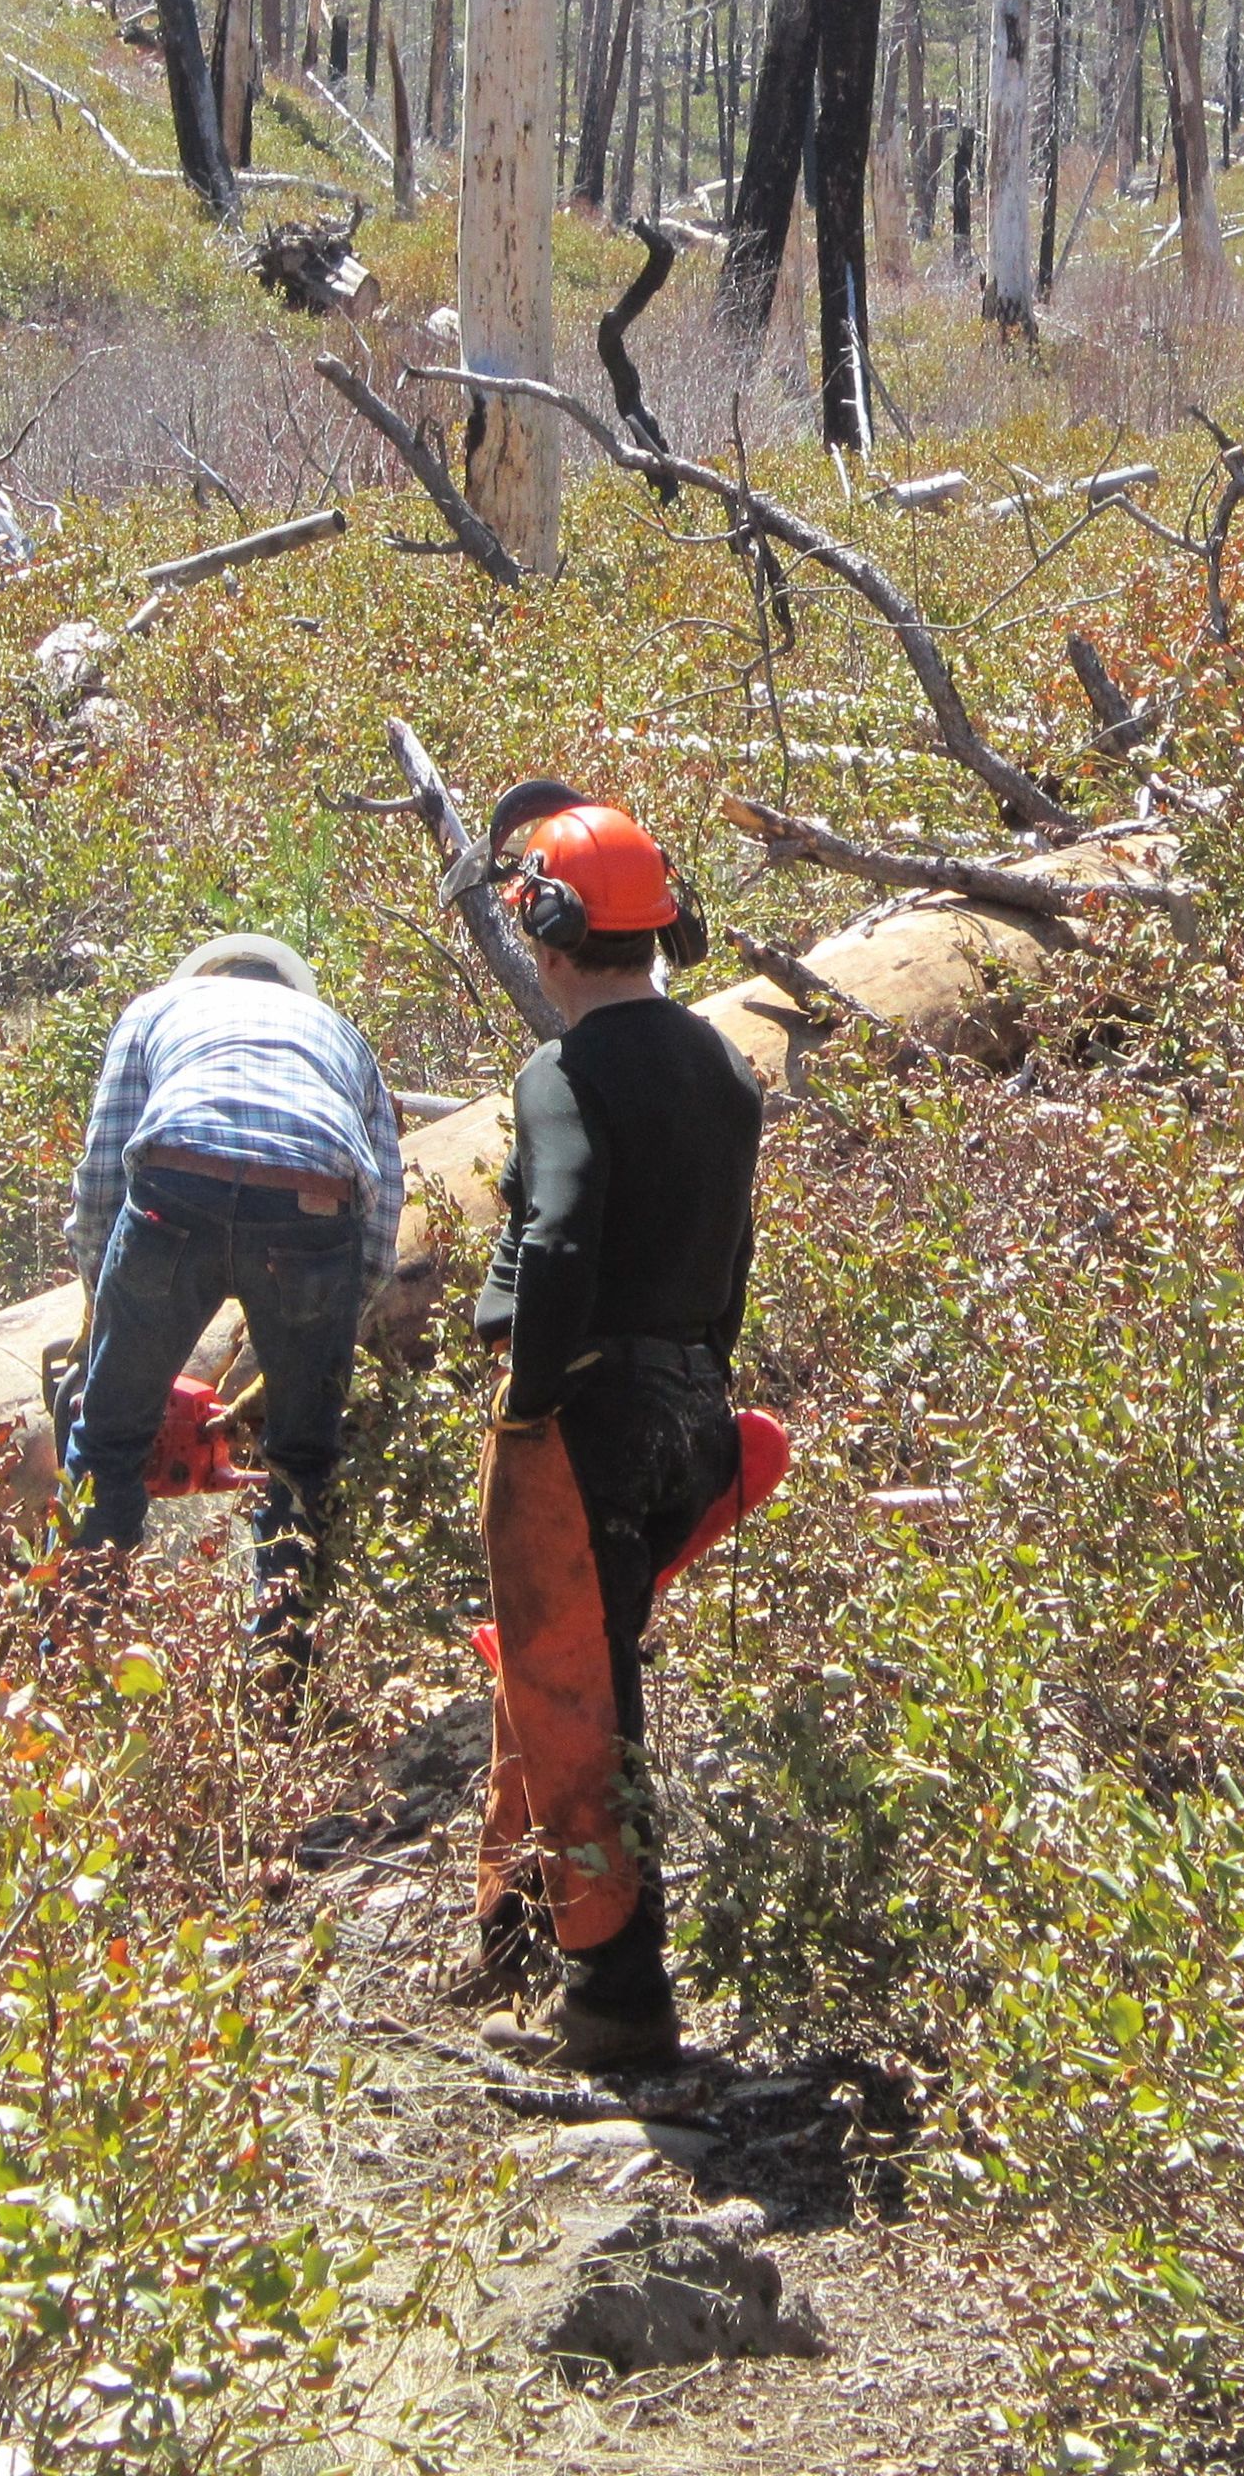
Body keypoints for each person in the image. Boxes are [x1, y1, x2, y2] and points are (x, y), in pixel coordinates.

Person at [457, 790, 762, 2070]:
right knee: (560, 1673)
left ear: (546, 926)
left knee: (580, 1702)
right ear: (660, 926)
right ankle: (519, 1928)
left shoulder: (562, 1071)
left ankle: (620, 2002)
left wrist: (530, 1399)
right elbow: (730, 1254)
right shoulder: (721, 1063)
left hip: (591, 1421)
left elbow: (562, 1234)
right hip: (693, 1409)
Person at [64, 933, 405, 1669]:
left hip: (172, 1192)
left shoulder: (156, 1010)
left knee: (108, 1439)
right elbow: (382, 1207)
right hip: (315, 1209)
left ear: (204, 976)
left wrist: (106, 1307)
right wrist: (334, 1318)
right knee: (302, 1458)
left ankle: (81, 1652)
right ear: (291, 991)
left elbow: (103, 1173)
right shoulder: (343, 1036)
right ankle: (280, 1670)